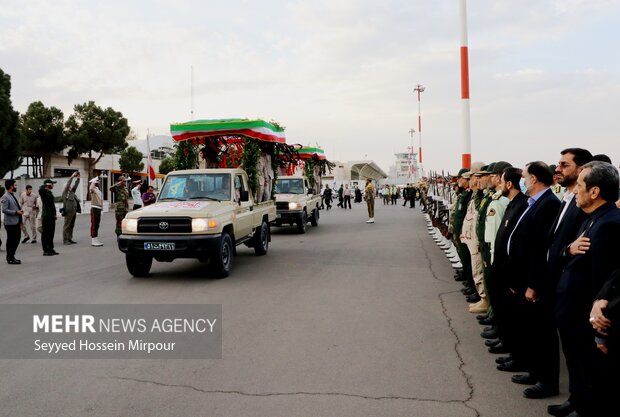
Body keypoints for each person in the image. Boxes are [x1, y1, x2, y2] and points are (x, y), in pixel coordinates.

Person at [554, 161, 620, 416]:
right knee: (577, 366)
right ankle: (577, 400)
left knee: (593, 375)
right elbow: (570, 252)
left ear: (594, 192)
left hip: (586, 316)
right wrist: (567, 250)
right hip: (572, 313)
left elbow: (605, 280)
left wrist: (599, 331)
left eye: (580, 185)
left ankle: (584, 406)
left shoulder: (609, 224)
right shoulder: (592, 219)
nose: (575, 190)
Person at [505, 161, 561, 399]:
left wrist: (533, 284)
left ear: (535, 179)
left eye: (525, 176)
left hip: (534, 281)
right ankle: (535, 370)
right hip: (523, 278)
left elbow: (541, 248)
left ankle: (547, 381)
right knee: (532, 330)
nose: (523, 179)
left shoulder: (548, 203)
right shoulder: (534, 201)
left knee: (543, 333)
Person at [545, 148, 593, 416]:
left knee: (581, 353)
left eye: (564, 164)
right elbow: (560, 241)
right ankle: (576, 398)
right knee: (571, 351)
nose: (558, 168)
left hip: (576, 290)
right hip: (560, 285)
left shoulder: (586, 207)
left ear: (581, 168)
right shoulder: (567, 198)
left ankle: (583, 402)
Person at [1, 179, 24, 264]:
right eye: (15, 185)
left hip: (16, 221)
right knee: (11, 240)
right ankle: (10, 258)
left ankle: (12, 256)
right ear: (11, 186)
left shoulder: (12, 195)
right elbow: (4, 210)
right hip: (10, 223)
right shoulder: (5, 196)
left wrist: (20, 218)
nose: (16, 186)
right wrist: (15, 212)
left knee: (17, 239)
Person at [39, 178, 59, 256]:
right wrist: (45, 186)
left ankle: (51, 248)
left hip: (51, 216)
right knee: (45, 234)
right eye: (51, 184)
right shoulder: (43, 193)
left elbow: (52, 205)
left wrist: (54, 214)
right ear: (48, 185)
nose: (53, 185)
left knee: (51, 233)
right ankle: (45, 250)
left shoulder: (49, 193)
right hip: (46, 216)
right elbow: (40, 189)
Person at [61, 171, 80, 245]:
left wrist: (78, 178)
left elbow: (76, 185)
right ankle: (65, 240)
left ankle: (70, 238)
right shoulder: (65, 193)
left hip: (73, 211)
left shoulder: (72, 192)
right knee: (66, 226)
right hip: (68, 212)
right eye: (69, 187)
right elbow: (69, 183)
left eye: (70, 187)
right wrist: (72, 176)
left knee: (71, 225)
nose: (70, 187)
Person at [89, 177, 104, 247]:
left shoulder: (98, 190)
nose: (98, 182)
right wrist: (93, 182)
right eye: (97, 181)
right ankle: (93, 240)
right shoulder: (93, 190)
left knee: (97, 225)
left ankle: (96, 239)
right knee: (94, 225)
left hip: (99, 208)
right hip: (94, 208)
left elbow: (101, 200)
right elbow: (91, 188)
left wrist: (102, 209)